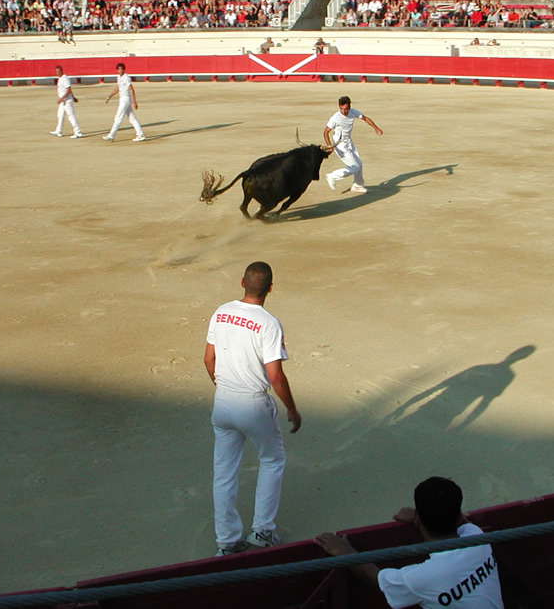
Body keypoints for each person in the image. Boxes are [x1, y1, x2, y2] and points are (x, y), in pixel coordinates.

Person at [205, 261, 301, 557]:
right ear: (270, 288)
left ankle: (227, 541)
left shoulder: (221, 312)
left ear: (242, 283)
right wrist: (292, 409)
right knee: (272, 460)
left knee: (224, 471)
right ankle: (263, 530)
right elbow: (275, 375)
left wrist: (222, 387)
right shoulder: (269, 323)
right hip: (253, 403)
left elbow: (209, 360)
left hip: (223, 402)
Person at [315, 476, 504, 609]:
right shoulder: (476, 536)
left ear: (417, 517)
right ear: (459, 514)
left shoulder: (424, 576)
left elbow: (375, 579)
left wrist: (344, 550)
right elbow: (461, 522)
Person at [323, 96, 383, 194]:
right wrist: (330, 146)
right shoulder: (335, 118)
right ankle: (332, 176)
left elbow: (365, 118)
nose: (344, 111)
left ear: (349, 107)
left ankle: (357, 186)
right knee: (354, 167)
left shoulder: (353, 112)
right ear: (339, 107)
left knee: (359, 164)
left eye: (346, 109)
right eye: (341, 109)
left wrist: (376, 128)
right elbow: (325, 132)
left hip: (349, 142)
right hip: (340, 145)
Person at [103, 62, 145, 142]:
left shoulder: (126, 77)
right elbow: (117, 88)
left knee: (118, 117)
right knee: (132, 118)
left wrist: (134, 102)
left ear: (123, 69)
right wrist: (110, 96)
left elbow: (131, 89)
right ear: (117, 70)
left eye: (121, 69)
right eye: (119, 69)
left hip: (125, 99)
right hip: (123, 99)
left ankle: (111, 135)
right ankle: (140, 134)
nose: (120, 71)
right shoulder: (118, 77)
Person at [50, 65, 83, 138]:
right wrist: (73, 97)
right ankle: (58, 131)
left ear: (62, 71)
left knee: (71, 116)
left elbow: (69, 89)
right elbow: (68, 90)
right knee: (60, 115)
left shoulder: (64, 78)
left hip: (66, 101)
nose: (57, 73)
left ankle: (78, 131)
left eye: (58, 71)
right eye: (56, 72)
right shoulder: (61, 78)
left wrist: (61, 98)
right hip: (64, 101)